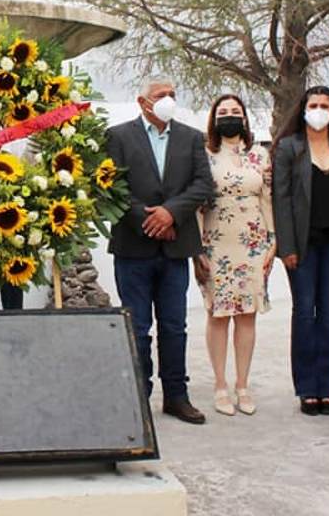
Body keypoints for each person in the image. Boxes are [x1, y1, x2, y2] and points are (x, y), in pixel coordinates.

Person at [106, 79, 213, 424]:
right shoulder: (118, 136)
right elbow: (113, 188)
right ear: (142, 102)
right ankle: (139, 397)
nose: (167, 100)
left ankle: (177, 396)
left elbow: (202, 184)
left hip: (175, 246)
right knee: (136, 328)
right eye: (160, 96)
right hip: (133, 247)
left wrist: (171, 213)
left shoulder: (191, 137)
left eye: (172, 95)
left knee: (174, 326)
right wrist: (148, 219)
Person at [272, 86, 329, 415]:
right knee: (304, 312)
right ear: (303, 109)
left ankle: (326, 388)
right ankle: (306, 388)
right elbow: (280, 200)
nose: (319, 110)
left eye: (325, 105)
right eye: (313, 104)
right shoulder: (289, 147)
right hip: (302, 244)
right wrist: (286, 246)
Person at [192, 94, 274, 417]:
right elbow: (197, 206)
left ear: (244, 117)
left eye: (235, 111)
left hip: (254, 243)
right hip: (215, 244)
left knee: (247, 314)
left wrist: (273, 241)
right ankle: (220, 384)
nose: (229, 116)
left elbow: (267, 198)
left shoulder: (260, 155)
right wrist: (197, 249)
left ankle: (242, 384)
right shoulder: (203, 156)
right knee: (218, 314)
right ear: (213, 118)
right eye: (223, 112)